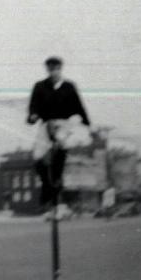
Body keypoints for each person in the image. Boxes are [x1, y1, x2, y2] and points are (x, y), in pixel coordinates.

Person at [27, 56, 91, 205]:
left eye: (56, 69)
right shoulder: (39, 86)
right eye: (50, 69)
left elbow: (79, 107)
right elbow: (33, 106)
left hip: (65, 124)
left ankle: (56, 182)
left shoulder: (69, 87)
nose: (53, 73)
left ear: (60, 69)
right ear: (47, 70)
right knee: (37, 158)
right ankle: (46, 185)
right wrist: (33, 116)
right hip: (46, 124)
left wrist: (87, 123)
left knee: (60, 146)